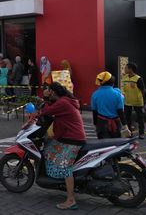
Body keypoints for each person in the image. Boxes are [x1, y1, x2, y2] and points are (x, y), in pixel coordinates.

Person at [41, 82, 86, 210]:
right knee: (48, 149)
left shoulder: (62, 103)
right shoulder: (66, 100)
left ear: (53, 92)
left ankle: (71, 199)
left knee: (65, 166)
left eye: (48, 90)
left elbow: (46, 111)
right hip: (69, 136)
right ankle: (59, 181)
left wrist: (45, 98)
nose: (47, 91)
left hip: (73, 139)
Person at [91, 71, 130, 139]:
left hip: (101, 123)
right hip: (116, 123)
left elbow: (94, 111)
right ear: (112, 83)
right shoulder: (118, 95)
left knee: (103, 145)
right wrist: (125, 126)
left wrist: (95, 124)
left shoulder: (95, 94)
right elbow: (120, 111)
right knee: (115, 145)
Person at [121, 62, 146, 139]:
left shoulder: (138, 79)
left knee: (140, 118)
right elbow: (123, 88)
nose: (125, 69)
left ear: (130, 69)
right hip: (127, 102)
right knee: (127, 118)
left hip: (137, 102)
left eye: (126, 68)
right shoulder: (124, 78)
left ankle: (141, 133)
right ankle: (129, 133)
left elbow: (143, 90)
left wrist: (139, 98)